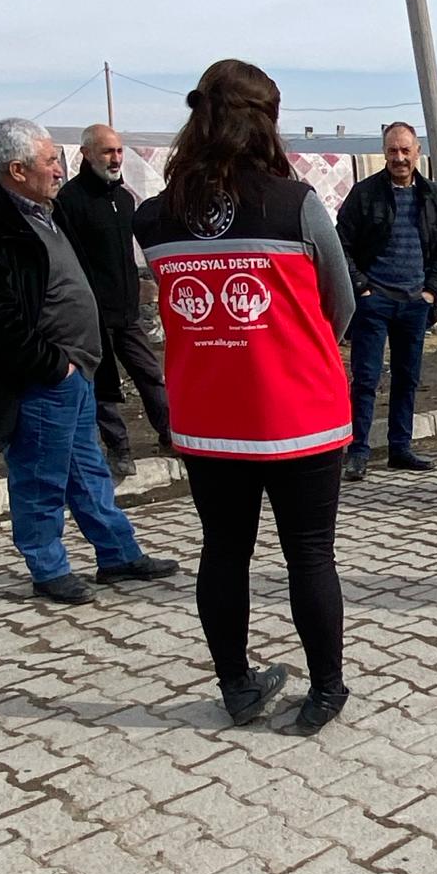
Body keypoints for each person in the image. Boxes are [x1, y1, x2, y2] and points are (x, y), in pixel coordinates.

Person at [134, 60, 356, 736]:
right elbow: (340, 305)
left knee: (223, 551)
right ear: (265, 120)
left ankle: (236, 685)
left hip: (208, 419)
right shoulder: (295, 204)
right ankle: (324, 690)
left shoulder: (155, 217)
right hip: (299, 415)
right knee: (310, 553)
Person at [0, 119, 179, 605]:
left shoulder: (42, 211)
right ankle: (47, 568)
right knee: (38, 476)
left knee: (87, 470)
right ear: (16, 169)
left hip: (75, 373)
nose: (59, 168)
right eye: (49, 160)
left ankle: (117, 554)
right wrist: (54, 365)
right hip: (41, 379)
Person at [55, 124, 171, 480]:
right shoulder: (70, 202)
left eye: (119, 151)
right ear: (87, 154)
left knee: (151, 374)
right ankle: (119, 449)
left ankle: (170, 435)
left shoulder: (124, 200)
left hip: (127, 312)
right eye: (108, 152)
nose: (116, 158)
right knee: (104, 386)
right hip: (91, 316)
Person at [335, 121, 437, 481]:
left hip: (415, 303)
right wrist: (362, 288)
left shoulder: (432, 195)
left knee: (407, 377)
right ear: (384, 153)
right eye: (392, 151)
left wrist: (431, 289)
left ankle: (400, 447)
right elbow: (342, 244)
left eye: (405, 150)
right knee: (366, 379)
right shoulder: (364, 194)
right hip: (375, 302)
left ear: (418, 152)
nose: (399, 158)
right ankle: (358, 451)